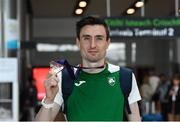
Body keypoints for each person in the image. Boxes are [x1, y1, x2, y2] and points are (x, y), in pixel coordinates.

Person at [35, 16, 141, 121]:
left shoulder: (125, 77)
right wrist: (49, 100)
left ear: (107, 43)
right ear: (78, 42)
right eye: (86, 38)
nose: (92, 45)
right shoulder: (63, 78)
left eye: (99, 38)